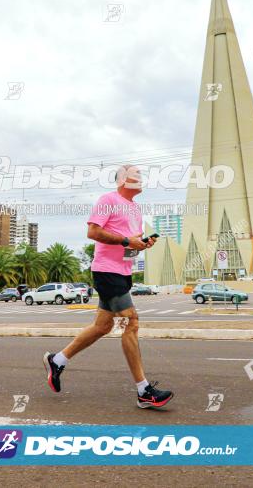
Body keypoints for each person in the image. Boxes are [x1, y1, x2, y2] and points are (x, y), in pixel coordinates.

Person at [43, 164, 174, 409]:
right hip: (106, 271)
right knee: (131, 322)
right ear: (123, 179)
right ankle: (144, 391)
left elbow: (128, 246)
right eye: (136, 175)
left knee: (102, 326)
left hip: (123, 271)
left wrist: (141, 244)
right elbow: (93, 231)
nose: (141, 178)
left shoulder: (135, 209)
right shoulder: (108, 200)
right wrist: (127, 240)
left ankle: (57, 360)